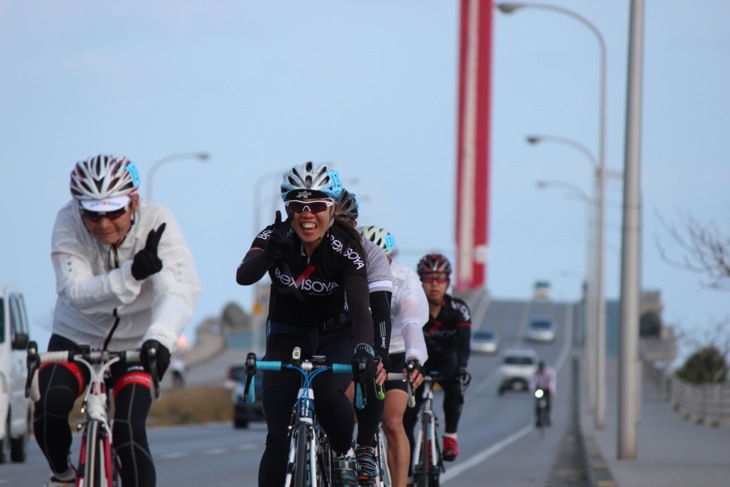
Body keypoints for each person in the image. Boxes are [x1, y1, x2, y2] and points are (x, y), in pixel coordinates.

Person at [36, 154, 201, 487]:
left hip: (137, 342)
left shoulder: (159, 221)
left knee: (128, 429)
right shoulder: (67, 222)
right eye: (92, 214)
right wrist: (132, 274)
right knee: (49, 408)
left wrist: (161, 337)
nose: (103, 224)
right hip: (75, 335)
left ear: (134, 201)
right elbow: (75, 290)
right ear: (78, 208)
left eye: (114, 212)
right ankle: (64, 474)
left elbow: (177, 289)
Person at [235, 161, 376, 487]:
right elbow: (244, 276)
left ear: (330, 208)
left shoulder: (345, 246)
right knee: (277, 437)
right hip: (287, 335)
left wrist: (366, 348)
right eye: (298, 205)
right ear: (288, 208)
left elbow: (359, 305)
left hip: (335, 333)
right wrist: (269, 254)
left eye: (316, 205)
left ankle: (343, 454)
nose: (307, 214)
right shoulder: (274, 236)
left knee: (327, 394)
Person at [358, 225, 428, 487]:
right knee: (343, 413)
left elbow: (411, 320)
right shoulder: (351, 275)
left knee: (392, 421)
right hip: (361, 350)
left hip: (396, 351)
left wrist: (414, 357)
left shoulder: (405, 278)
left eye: (385, 259)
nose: (378, 266)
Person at [334, 189, 392, 485]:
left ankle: (366, 444)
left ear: (355, 224)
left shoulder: (371, 253)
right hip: (326, 328)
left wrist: (380, 356)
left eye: (345, 223)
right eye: (333, 222)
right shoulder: (314, 247)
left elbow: (381, 311)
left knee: (370, 367)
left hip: (361, 325)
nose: (339, 230)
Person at [403, 253, 471, 474]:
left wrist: (462, 369)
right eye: (428, 278)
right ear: (420, 281)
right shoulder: (412, 306)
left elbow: (464, 344)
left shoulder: (458, 309)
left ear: (448, 282)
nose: (434, 284)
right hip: (420, 365)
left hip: (447, 364)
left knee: (456, 386)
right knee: (407, 418)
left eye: (440, 278)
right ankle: (410, 472)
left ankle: (450, 436)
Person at [529, 360, 556, 426]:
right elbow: (533, 382)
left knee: (548, 403)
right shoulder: (535, 373)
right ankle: (538, 419)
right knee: (538, 404)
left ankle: (548, 417)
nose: (541, 370)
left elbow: (552, 382)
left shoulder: (549, 372)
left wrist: (553, 392)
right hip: (539, 390)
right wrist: (532, 391)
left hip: (547, 390)